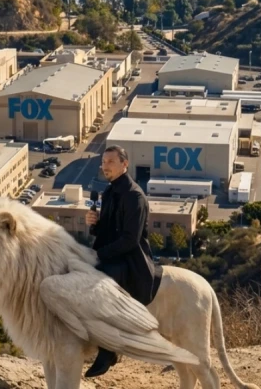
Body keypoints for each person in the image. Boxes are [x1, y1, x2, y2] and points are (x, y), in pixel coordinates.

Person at [84, 145, 161, 378]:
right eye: (103, 162)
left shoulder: (134, 196)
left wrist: (100, 255)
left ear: (124, 164)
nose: (104, 166)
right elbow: (107, 232)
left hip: (131, 259)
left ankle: (109, 350)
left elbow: (130, 240)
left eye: (110, 162)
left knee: (102, 291)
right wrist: (94, 224)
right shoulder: (109, 192)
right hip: (113, 253)